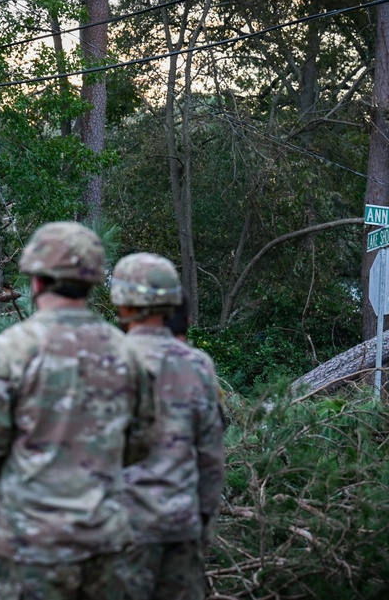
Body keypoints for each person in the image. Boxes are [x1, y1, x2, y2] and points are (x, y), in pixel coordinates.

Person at [0, 221, 153, 600]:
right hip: (106, 542)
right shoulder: (128, 352)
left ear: (36, 280)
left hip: (32, 543)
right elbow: (142, 443)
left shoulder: (11, 349)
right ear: (93, 283)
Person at [111, 252, 225, 600]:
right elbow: (211, 456)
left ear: (123, 302)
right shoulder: (198, 365)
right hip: (180, 526)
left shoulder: (107, 359)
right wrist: (202, 523)